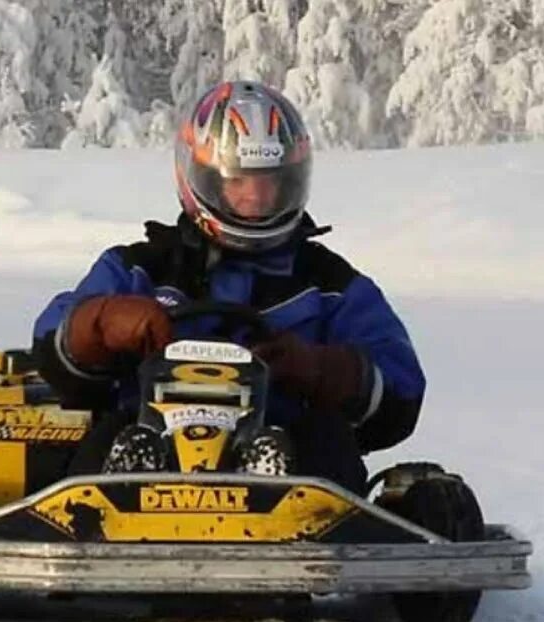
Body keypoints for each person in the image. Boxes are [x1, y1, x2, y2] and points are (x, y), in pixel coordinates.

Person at [31, 81, 424, 494]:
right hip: (148, 439)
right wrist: (102, 323)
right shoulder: (140, 270)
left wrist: (321, 369)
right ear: (203, 179)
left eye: (269, 182)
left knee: (326, 440)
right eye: (239, 182)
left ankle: (284, 496)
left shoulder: (330, 288)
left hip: (290, 454)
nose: (255, 198)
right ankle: (104, 509)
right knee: (107, 431)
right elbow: (51, 342)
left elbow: (401, 388)